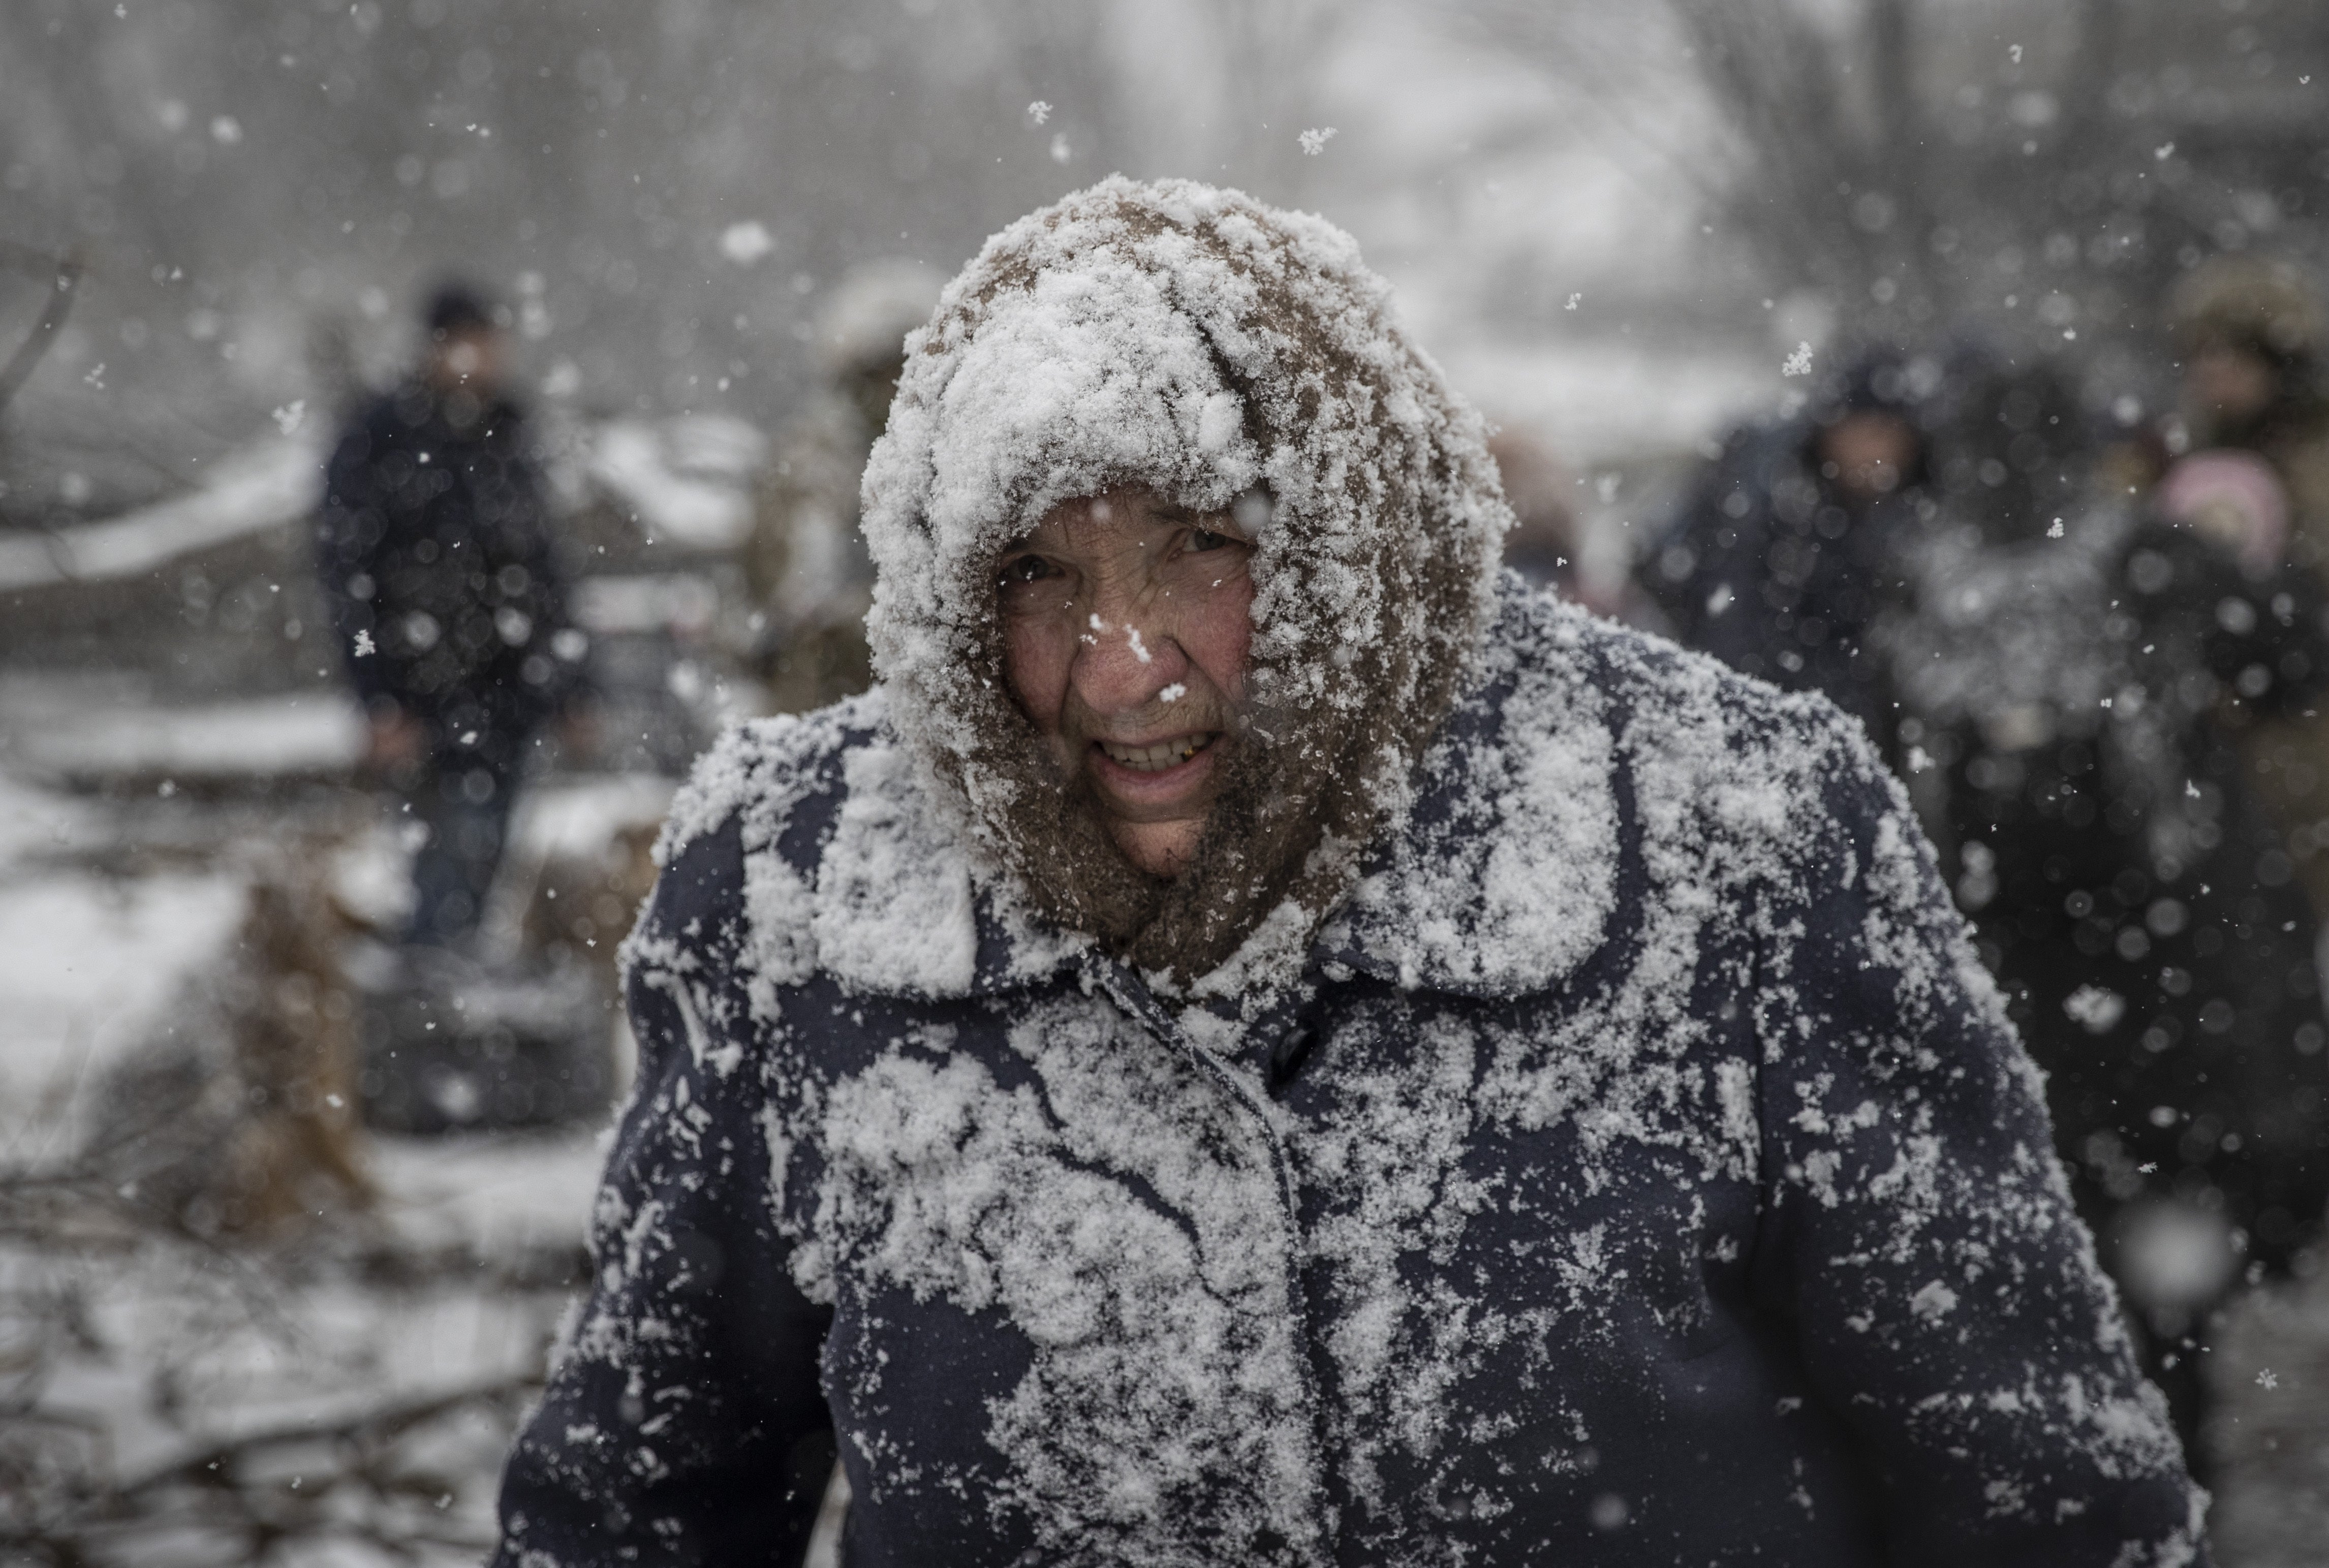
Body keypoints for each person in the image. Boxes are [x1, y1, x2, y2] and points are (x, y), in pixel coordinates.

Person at [492, 180, 2201, 1566]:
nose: (1123, 666)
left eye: (1200, 551)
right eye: (1036, 576)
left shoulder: (1736, 823)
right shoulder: (799, 884)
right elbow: (642, 1501)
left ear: (1347, 533)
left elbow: (2033, 1489)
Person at [1881, 351, 2329, 1457]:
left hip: (2004, 972)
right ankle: (2165, 1464)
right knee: (2157, 1279)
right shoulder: (2136, 555)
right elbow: (2293, 650)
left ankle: (2070, 1467)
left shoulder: (1915, 577)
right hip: (2155, 973)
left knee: (2036, 1266)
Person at [316, 283, 589, 952]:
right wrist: (377, 696)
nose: (481, 358)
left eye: (490, 343)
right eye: (468, 342)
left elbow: (545, 572)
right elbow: (348, 581)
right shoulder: (380, 437)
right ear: (436, 346)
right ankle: (427, 1017)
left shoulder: (509, 432)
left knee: (486, 861)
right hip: (421, 692)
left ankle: (454, 1007)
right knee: (437, 867)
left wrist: (575, 688)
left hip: (507, 690)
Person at [1641, 349, 1928, 755]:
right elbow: (1736, 635)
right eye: (1864, 431)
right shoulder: (1772, 518)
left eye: (1889, 433)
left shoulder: (1911, 519)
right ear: (1829, 433)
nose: (1876, 451)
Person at [742, 259, 941, 713]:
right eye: (883, 371)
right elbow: (785, 591)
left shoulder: (955, 455)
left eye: (907, 366)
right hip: (828, 695)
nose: (895, 387)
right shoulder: (810, 464)